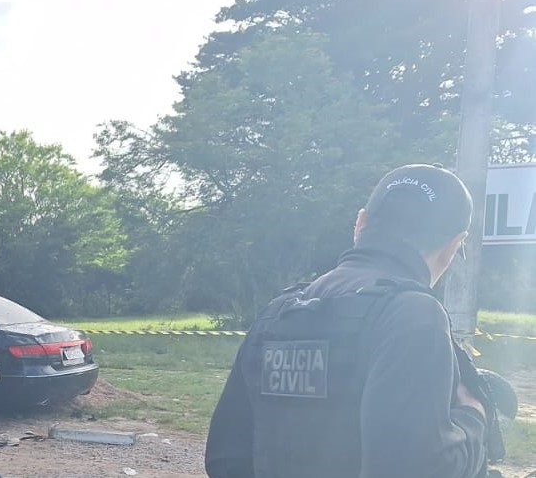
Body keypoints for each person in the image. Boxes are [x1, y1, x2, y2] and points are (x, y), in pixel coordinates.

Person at [204, 164, 490, 478]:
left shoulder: (280, 311)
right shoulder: (414, 314)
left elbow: (225, 459)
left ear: (361, 223)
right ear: (454, 246)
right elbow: (415, 469)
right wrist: (473, 416)